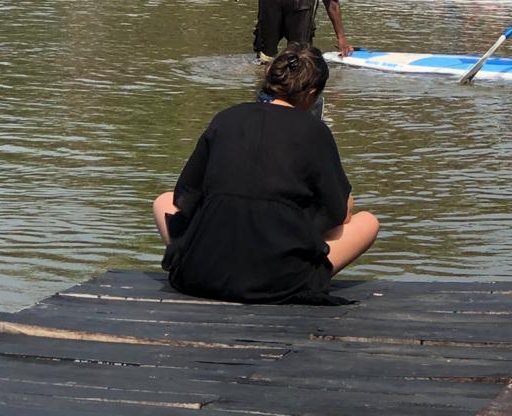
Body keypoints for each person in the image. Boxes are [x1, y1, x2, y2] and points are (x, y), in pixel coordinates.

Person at [152, 45, 379, 304]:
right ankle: (296, 273)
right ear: (312, 93)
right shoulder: (314, 131)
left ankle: (199, 257)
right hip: (277, 281)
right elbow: (339, 214)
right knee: (367, 221)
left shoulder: (226, 118)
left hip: (199, 274)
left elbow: (186, 196)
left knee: (163, 200)